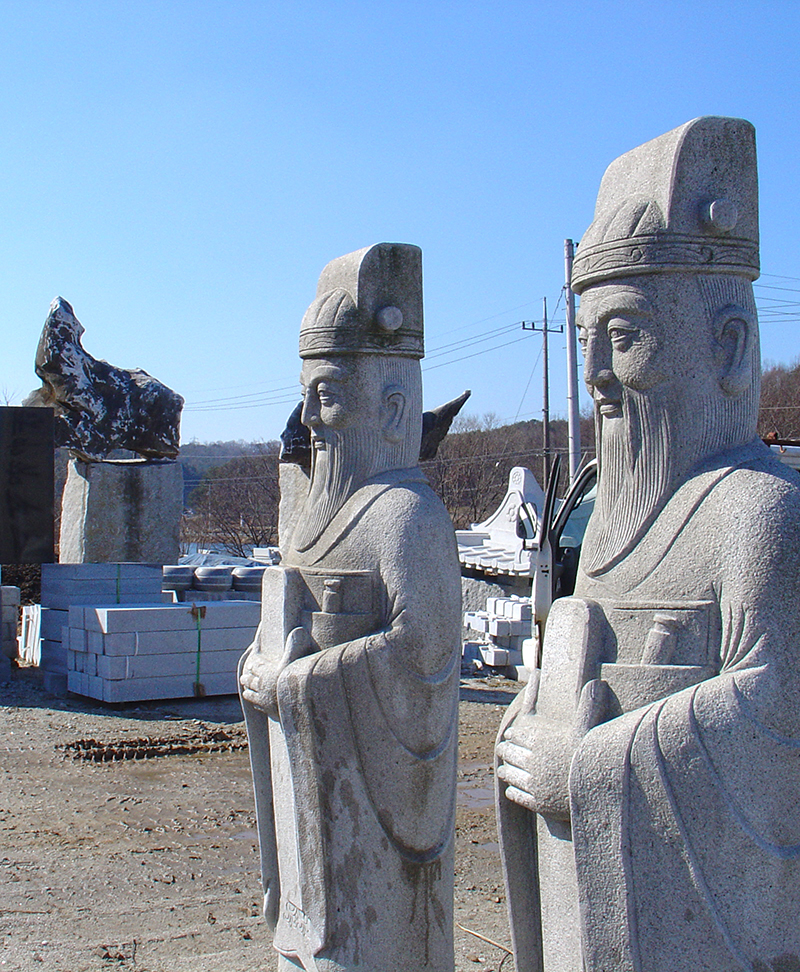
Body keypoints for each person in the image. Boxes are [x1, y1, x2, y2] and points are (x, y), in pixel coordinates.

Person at [495, 118, 800, 972]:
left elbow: (776, 726)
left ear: (725, 345)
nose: (594, 378)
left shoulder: (767, 518)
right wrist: (528, 714)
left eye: (625, 338)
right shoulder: (610, 523)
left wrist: (588, 768)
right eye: (585, 344)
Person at [239, 243, 461, 972]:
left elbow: (424, 651)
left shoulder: (408, 518)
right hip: (309, 822)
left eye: (328, 393)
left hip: (368, 845)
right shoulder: (311, 515)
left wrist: (300, 681)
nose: (310, 416)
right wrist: (258, 664)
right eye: (307, 392)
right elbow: (283, 627)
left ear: (392, 407)